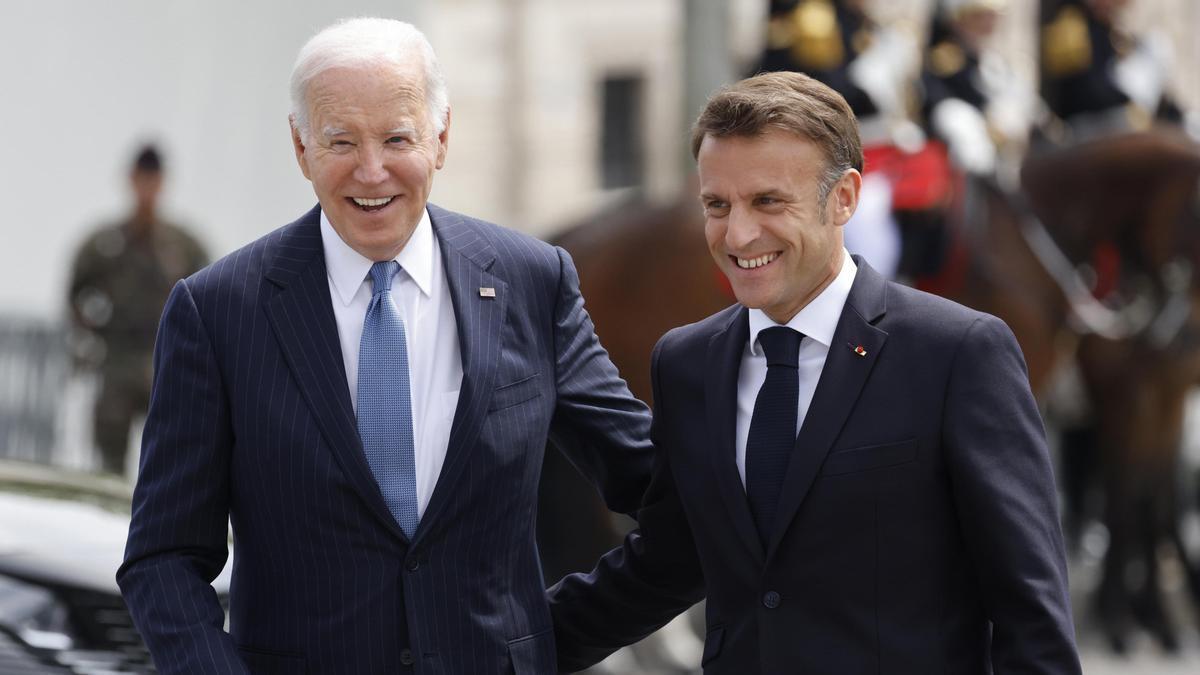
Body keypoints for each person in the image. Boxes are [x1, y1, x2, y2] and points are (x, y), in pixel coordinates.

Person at [117, 18, 653, 675]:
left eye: (397, 138)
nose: (371, 172)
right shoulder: (218, 311)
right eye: (341, 140)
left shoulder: (532, 284)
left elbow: (657, 487)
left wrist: (548, 638)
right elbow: (163, 557)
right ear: (300, 145)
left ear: (441, 137)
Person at [550, 71, 1082, 674]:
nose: (738, 234)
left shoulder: (959, 354)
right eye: (717, 205)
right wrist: (496, 644)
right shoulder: (685, 364)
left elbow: (1031, 616)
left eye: (768, 201)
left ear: (845, 198)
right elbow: (670, 562)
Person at [67, 144, 208, 476]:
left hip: (166, 363)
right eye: (141, 179)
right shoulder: (106, 244)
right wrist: (90, 335)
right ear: (131, 180)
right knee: (109, 461)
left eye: (153, 180)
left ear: (162, 183)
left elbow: (212, 296)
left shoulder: (182, 245)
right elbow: (75, 293)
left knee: (169, 457)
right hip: (117, 359)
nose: (147, 188)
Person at [1039, 0, 1183, 141]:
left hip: (1116, 124)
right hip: (1084, 130)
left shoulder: (1109, 31)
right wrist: (1131, 106)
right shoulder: (1070, 26)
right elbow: (1086, 91)